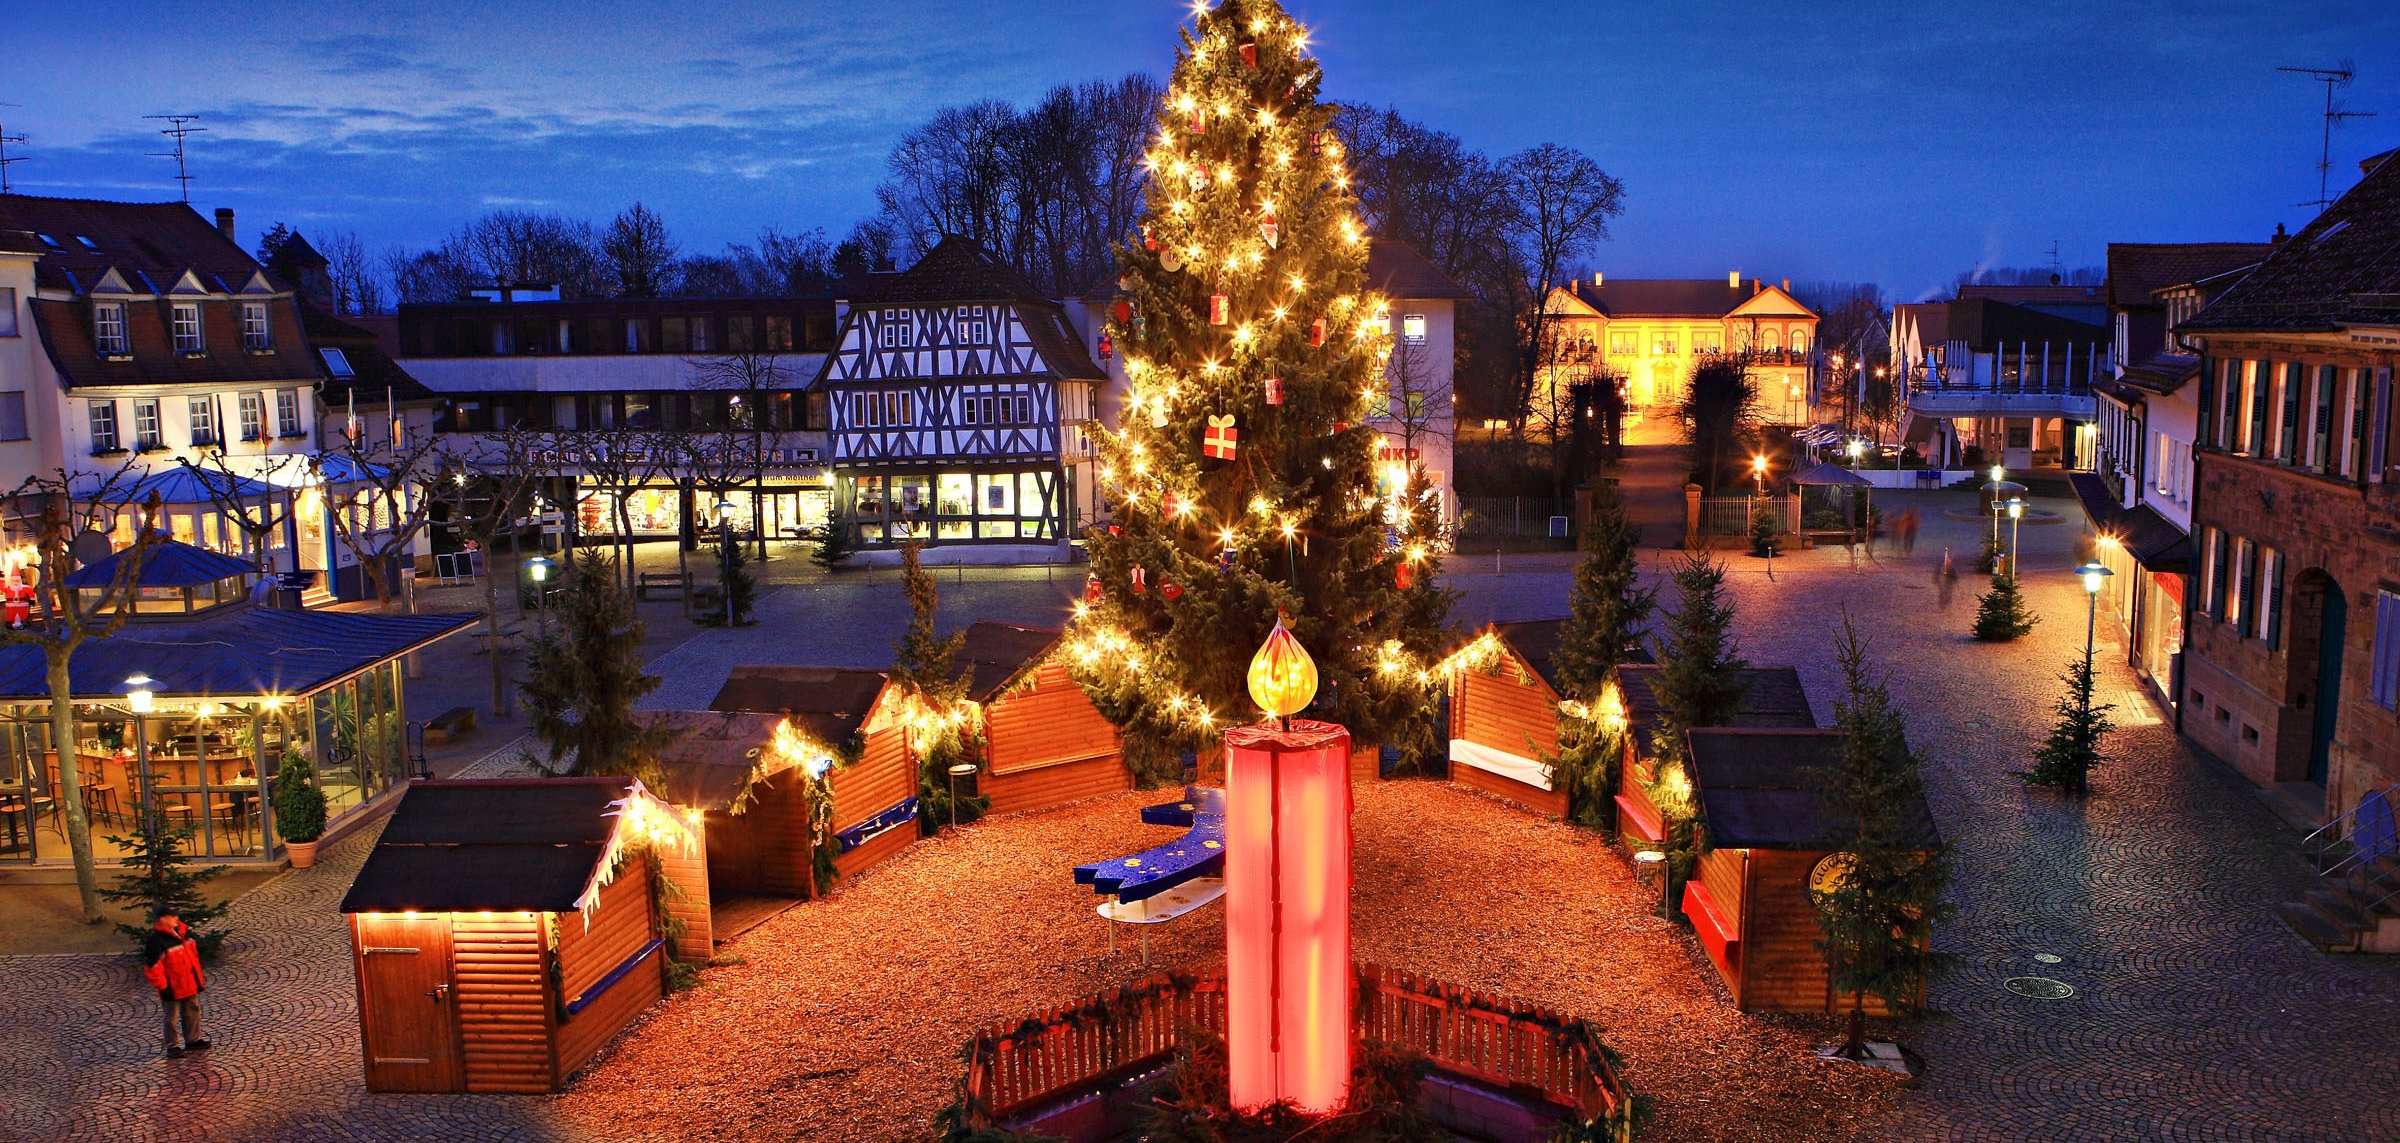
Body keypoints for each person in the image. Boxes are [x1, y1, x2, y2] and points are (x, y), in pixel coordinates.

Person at [141, 906, 208, 1059]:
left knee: (192, 1010)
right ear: (163, 919)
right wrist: (163, 987)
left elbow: (192, 958)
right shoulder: (156, 940)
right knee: (171, 1017)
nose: (177, 918)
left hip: (188, 982)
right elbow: (153, 968)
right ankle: (173, 1046)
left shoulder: (182, 933)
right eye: (173, 916)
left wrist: (197, 980)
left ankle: (193, 1040)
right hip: (172, 987)